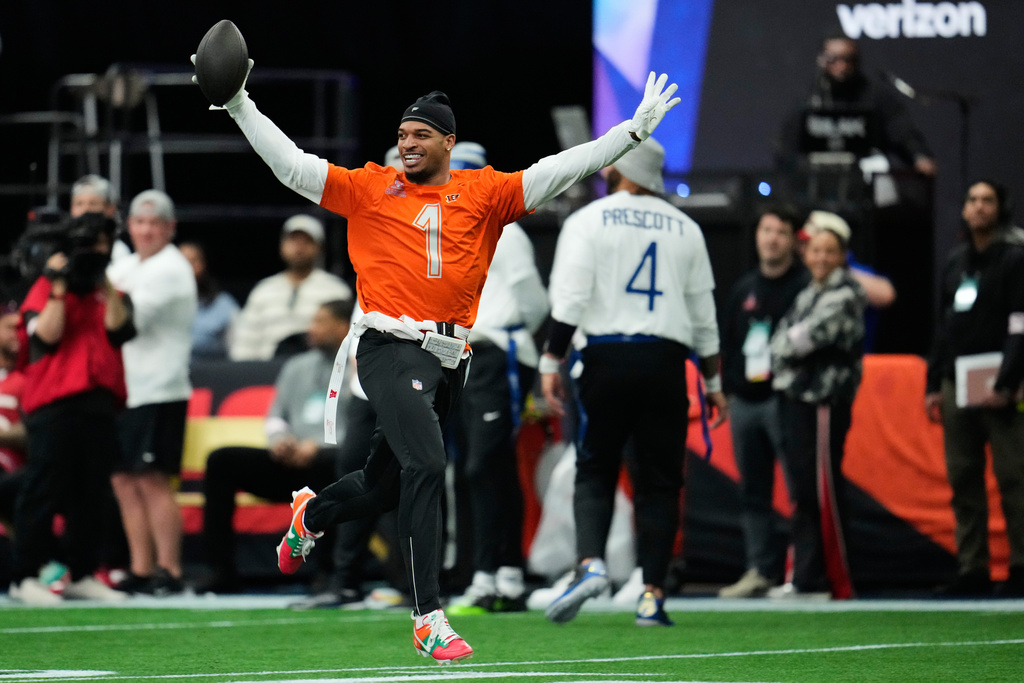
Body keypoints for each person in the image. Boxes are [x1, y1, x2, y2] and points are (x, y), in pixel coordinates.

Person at [193, 45, 679, 661]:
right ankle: (428, 616)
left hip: (450, 357)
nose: (408, 144)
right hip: (388, 346)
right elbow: (291, 165)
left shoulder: (485, 193)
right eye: (402, 135)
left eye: (421, 134)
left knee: (379, 485)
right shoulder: (372, 188)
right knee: (427, 467)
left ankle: (310, 518)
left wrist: (629, 132)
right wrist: (239, 103)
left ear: (449, 142)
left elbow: (565, 167)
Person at [538, 137, 726, 627]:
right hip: (666, 361)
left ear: (619, 168)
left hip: (605, 357)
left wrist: (550, 359)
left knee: (595, 468)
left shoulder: (588, 220)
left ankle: (590, 564)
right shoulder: (686, 228)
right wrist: (712, 382)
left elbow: (571, 300)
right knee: (660, 483)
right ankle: (652, 594)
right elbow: (705, 316)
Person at [445, 141, 550, 615]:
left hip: (498, 354)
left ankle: (489, 575)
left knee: (482, 464)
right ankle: (503, 571)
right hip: (467, 355)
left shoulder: (503, 230)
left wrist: (506, 332)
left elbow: (535, 304)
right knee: (489, 465)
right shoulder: (453, 233)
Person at [9, 212, 132, 605]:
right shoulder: (46, 286)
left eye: (103, 243)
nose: (97, 250)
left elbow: (119, 330)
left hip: (99, 403)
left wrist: (105, 282)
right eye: (91, 243)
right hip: (53, 404)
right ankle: (25, 575)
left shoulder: (107, 289)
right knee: (43, 491)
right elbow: (46, 336)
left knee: (92, 495)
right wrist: (59, 286)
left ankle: (82, 572)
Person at [201, 298, 353, 594]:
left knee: (330, 464)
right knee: (222, 461)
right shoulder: (296, 366)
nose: (311, 328)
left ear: (344, 326)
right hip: (292, 460)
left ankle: (327, 572)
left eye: (321, 321)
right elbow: (275, 417)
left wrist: (318, 446)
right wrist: (280, 441)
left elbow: (368, 427)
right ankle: (221, 571)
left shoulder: (362, 367)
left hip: (336, 463)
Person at [926, 180, 1024, 598]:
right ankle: (972, 568)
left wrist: (1009, 381)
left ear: (1001, 208)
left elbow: (1021, 325)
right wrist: (933, 383)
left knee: (1014, 476)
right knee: (962, 476)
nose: (979, 207)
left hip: (1004, 382)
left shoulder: (1015, 257)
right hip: (956, 382)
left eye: (988, 200)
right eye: (972, 200)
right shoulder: (955, 262)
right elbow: (943, 327)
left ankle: (1021, 565)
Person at [768, 215, 866, 600]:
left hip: (824, 401)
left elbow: (794, 343)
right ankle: (806, 577)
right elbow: (783, 337)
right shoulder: (808, 292)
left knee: (824, 490)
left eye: (830, 251)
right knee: (803, 492)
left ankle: (838, 579)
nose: (821, 257)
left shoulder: (845, 294)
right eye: (815, 250)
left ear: (842, 256)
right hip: (796, 401)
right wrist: (785, 343)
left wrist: (785, 344)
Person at [106, 190, 197, 595]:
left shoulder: (171, 268)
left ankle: (170, 569)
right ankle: (140, 568)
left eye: (154, 224)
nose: (145, 230)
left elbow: (126, 322)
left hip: (159, 387)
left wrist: (100, 286)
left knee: (153, 480)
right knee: (124, 480)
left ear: (169, 228)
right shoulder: (126, 265)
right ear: (130, 226)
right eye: (139, 223)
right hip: (125, 387)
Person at [717, 205, 810, 599]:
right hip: (745, 403)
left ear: (793, 240)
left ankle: (803, 573)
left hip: (785, 400)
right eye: (766, 230)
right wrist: (724, 388)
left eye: (780, 232)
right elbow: (726, 343)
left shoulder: (806, 287)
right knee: (752, 491)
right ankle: (760, 569)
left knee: (799, 489)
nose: (771, 238)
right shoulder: (743, 288)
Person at [776, 30, 936, 177]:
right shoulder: (811, 100)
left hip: (866, 179)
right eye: (834, 59)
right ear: (822, 60)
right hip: (819, 179)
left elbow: (902, 132)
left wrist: (919, 156)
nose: (842, 66)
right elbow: (786, 148)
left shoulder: (875, 97)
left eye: (848, 59)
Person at [229, 214, 352, 360]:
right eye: (293, 240)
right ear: (282, 246)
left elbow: (348, 340)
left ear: (319, 248)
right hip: (266, 371)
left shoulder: (336, 290)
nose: (299, 247)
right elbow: (244, 344)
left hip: (319, 370)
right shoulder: (263, 290)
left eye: (307, 241)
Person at [179, 241, 239, 361]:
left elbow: (239, 351)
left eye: (193, 261)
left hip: (211, 375)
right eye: (181, 262)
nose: (187, 268)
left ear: (204, 264)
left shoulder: (223, 305)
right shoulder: (159, 303)